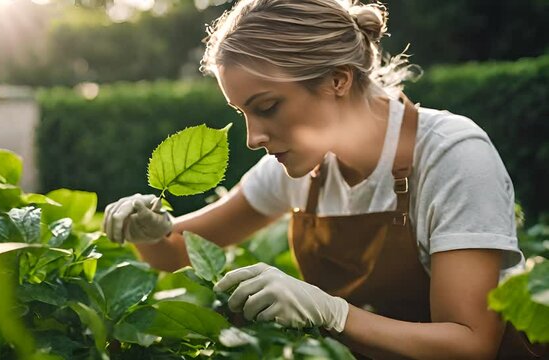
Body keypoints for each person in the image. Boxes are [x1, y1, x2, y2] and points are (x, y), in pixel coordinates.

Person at [103, 1, 541, 358]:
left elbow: (470, 345)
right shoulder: (301, 168)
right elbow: (175, 251)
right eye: (243, 114)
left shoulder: (451, 155)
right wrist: (149, 231)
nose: (253, 138)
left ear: (337, 80)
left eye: (268, 106)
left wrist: (334, 314)